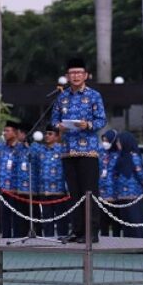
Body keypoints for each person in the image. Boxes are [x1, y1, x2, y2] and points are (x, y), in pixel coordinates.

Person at [52, 58, 106, 244]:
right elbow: (54, 120)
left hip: (88, 151)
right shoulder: (62, 97)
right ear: (67, 76)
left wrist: (87, 124)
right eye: (72, 73)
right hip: (68, 151)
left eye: (79, 73)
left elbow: (101, 121)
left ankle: (92, 232)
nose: (75, 76)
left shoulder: (94, 96)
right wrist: (59, 125)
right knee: (73, 193)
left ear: (85, 75)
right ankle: (77, 230)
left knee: (89, 192)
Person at [34, 124, 69, 237]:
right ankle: (48, 240)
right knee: (46, 218)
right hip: (44, 190)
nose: (47, 136)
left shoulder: (62, 149)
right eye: (46, 133)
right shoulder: (41, 150)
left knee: (61, 218)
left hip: (59, 190)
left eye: (50, 134)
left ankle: (62, 239)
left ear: (57, 136)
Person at [113, 132, 143, 238]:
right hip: (122, 194)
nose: (118, 144)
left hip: (134, 194)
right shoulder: (120, 157)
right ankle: (129, 243)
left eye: (119, 142)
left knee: (135, 219)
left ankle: (139, 243)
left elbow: (140, 175)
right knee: (126, 220)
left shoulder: (134, 157)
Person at [0, 121, 21, 238]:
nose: (5, 133)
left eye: (7, 131)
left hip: (16, 189)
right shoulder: (2, 149)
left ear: (15, 133)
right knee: (4, 216)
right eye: (4, 131)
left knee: (17, 217)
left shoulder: (21, 149)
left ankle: (17, 238)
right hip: (4, 189)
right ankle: (5, 238)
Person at [99, 129, 121, 237]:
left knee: (115, 219)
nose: (105, 143)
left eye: (107, 140)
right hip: (101, 192)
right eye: (103, 140)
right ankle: (104, 239)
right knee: (103, 219)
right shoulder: (100, 152)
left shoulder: (118, 154)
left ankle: (116, 240)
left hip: (114, 192)